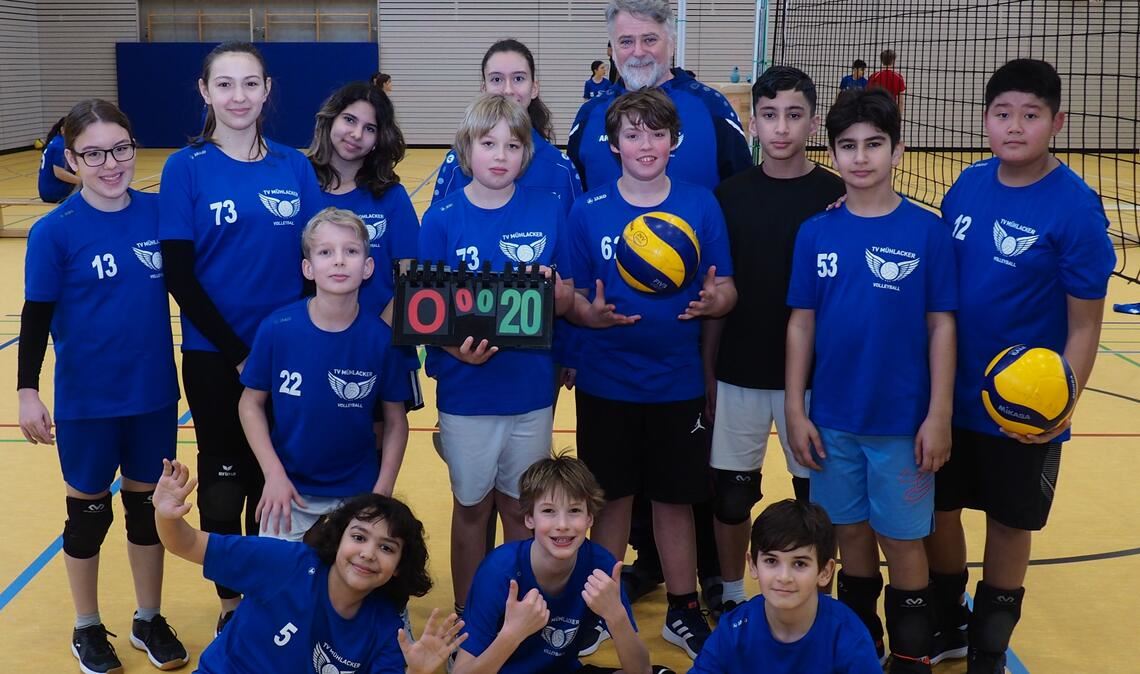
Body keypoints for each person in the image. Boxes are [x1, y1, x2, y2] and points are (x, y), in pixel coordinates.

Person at [924, 59, 1116, 673]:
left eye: (1030, 116)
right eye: (1002, 114)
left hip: (1023, 405)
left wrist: (1058, 408)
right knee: (938, 511)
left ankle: (989, 647)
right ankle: (950, 617)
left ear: (1056, 122)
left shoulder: (1076, 209)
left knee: (1010, 524)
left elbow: (1085, 324)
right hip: (951, 394)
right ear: (985, 120)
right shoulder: (966, 185)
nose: (1014, 127)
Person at [784, 88, 957, 673]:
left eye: (874, 145)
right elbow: (801, 325)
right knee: (848, 536)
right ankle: (862, 650)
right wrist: (795, 407)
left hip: (903, 425)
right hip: (833, 420)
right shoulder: (816, 233)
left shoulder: (927, 233)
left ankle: (912, 657)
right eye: (848, 146)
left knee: (903, 543)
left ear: (898, 151)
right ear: (832, 153)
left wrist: (937, 414)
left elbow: (941, 327)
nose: (861, 158)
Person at [158, 40, 324, 635]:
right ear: (205, 92)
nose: (238, 96)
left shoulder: (293, 165)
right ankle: (233, 606)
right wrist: (238, 352)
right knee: (225, 489)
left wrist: (293, 343)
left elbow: (314, 263)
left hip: (285, 359)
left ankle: (269, 594)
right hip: (213, 358)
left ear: (267, 90)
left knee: (273, 483)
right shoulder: (186, 167)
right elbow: (179, 274)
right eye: (224, 84)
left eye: (250, 84)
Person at [566, 89, 737, 660]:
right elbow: (567, 295)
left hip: (677, 382)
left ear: (674, 142)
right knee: (610, 499)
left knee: (675, 500)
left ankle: (683, 609)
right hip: (604, 380)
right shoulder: (588, 210)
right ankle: (601, 606)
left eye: (656, 134)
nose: (645, 144)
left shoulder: (700, 205)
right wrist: (585, 314)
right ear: (613, 144)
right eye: (633, 134)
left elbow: (727, 289)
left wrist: (715, 300)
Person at [18, 98, 188, 674]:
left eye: (120, 149)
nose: (110, 163)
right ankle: (87, 626)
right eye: (93, 153)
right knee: (88, 517)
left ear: (134, 148)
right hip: (88, 402)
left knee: (145, 514)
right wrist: (26, 391)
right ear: (72, 158)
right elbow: (37, 316)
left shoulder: (161, 214)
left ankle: (148, 617)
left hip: (153, 396)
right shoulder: (54, 232)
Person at [418, 93, 575, 623]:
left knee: (519, 508)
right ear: (467, 149)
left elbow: (569, 296)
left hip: (530, 390)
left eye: (513, 144)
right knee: (472, 507)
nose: (500, 154)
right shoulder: (441, 220)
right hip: (467, 394)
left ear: (527, 153)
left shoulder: (549, 210)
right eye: (488, 143)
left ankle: (516, 611)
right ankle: (467, 613)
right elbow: (424, 313)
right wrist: (452, 348)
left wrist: (556, 292)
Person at [704, 66, 846, 617]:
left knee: (815, 499)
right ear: (752, 123)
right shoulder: (729, 196)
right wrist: (708, 372)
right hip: (739, 372)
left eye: (793, 115)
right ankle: (734, 595)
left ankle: (821, 600)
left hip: (812, 382)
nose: (781, 127)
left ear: (812, 121)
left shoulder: (837, 195)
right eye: (769, 115)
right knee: (733, 497)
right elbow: (717, 293)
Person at [153, 459, 465, 673]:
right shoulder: (285, 564)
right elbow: (189, 543)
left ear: (398, 567)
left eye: (386, 547)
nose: (369, 553)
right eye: (359, 537)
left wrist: (417, 671)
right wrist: (167, 515)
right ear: (338, 538)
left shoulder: (385, 626)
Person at [237, 208, 412, 541]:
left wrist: (382, 491)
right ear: (308, 268)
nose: (339, 261)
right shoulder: (278, 329)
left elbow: (395, 421)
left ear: (368, 266)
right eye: (325, 252)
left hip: (357, 496)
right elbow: (249, 404)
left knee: (354, 587)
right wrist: (272, 474)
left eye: (351, 251)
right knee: (278, 588)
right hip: (289, 490)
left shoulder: (381, 340)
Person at [453, 453, 650, 674]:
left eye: (574, 511)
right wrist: (512, 634)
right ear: (529, 518)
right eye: (548, 511)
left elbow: (641, 671)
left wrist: (617, 616)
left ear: (590, 518)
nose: (563, 525)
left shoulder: (600, 565)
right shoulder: (499, 570)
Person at [306, 81, 424, 425]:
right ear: (330, 120)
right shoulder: (301, 187)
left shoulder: (391, 196)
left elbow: (411, 279)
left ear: (380, 138)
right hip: (314, 350)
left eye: (369, 128)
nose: (356, 133)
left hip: (381, 350)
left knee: (375, 458)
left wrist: (369, 337)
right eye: (349, 120)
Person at [567, 0, 752, 192]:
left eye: (649, 40)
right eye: (626, 42)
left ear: (671, 45)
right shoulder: (589, 116)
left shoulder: (712, 107)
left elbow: (741, 198)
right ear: (612, 51)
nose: (638, 52)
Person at [691, 499, 882, 673]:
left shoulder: (849, 636)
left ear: (825, 572)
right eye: (771, 561)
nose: (784, 577)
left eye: (800, 563)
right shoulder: (734, 630)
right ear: (753, 565)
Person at [431, 39, 582, 213]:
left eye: (518, 78)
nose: (508, 90)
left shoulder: (561, 169)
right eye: (496, 79)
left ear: (534, 88)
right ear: (483, 88)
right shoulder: (457, 164)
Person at [37, 116, 81, 203]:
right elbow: (59, 173)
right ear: (62, 130)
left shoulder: (57, 140)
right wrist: (83, 182)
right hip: (55, 193)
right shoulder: (61, 146)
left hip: (47, 191)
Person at [868, 50, 906, 116]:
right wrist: (898, 116)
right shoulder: (899, 77)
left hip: (877, 111)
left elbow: (869, 96)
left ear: (881, 61)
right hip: (891, 111)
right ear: (893, 61)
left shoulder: (874, 76)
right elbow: (901, 101)